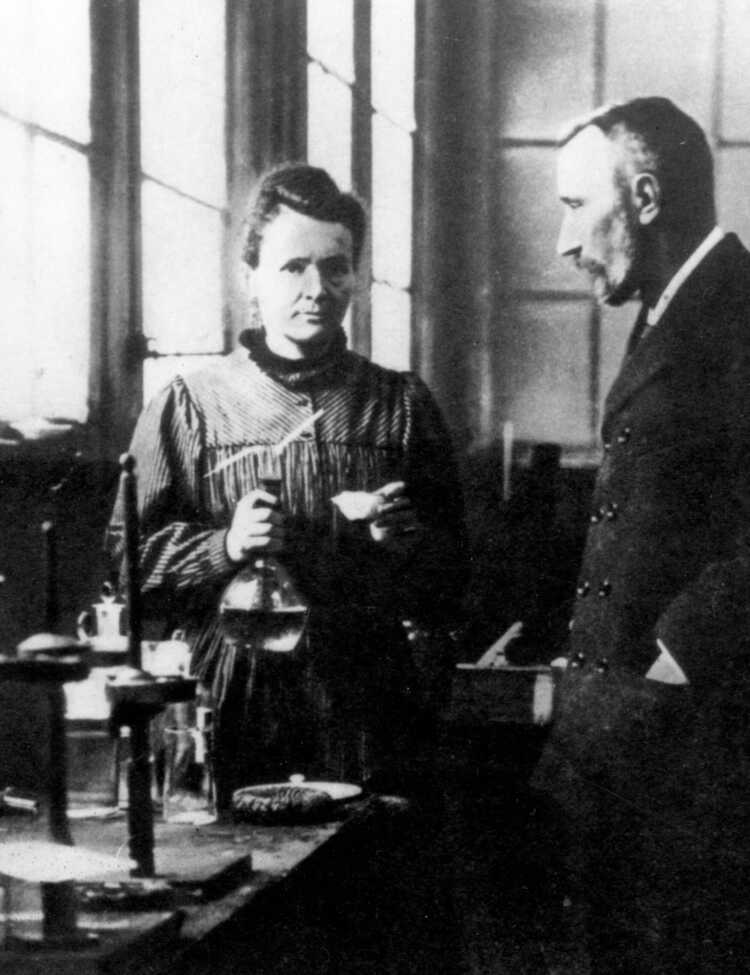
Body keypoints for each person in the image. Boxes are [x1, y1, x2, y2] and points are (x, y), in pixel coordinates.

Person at [106, 163, 466, 806]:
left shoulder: (400, 404)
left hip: (370, 709)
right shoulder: (189, 406)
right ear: (250, 278)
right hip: (231, 706)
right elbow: (124, 563)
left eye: (336, 267)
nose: (317, 288)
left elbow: (455, 575)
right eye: (292, 267)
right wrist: (226, 547)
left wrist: (407, 543)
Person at [531, 97, 750, 974]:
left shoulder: (736, 313)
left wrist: (679, 652)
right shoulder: (671, 307)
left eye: (576, 207)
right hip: (633, 731)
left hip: (697, 732)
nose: (561, 241)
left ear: (648, 199)